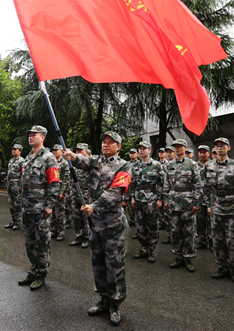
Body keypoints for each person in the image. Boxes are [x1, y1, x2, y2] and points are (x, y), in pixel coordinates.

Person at [63, 131, 132, 326]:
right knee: (98, 262)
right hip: (94, 223)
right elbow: (81, 161)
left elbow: (116, 192)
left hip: (112, 223)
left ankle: (115, 304)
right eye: (104, 142)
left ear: (119, 146)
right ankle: (103, 299)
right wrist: (73, 156)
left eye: (111, 142)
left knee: (114, 264)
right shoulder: (95, 160)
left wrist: (94, 206)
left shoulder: (125, 166)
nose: (106, 145)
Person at [17, 126, 60, 291]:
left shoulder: (49, 158)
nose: (31, 137)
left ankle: (41, 274)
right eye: (29, 135)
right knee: (29, 242)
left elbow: (54, 183)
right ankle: (34, 270)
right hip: (27, 207)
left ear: (43, 137)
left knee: (42, 242)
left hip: (40, 207)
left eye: (34, 135)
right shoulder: (27, 158)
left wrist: (49, 205)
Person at [202, 137, 234, 285]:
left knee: (231, 240)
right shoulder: (209, 165)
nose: (220, 148)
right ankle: (222, 267)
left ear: (228, 148)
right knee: (217, 240)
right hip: (215, 207)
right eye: (217, 146)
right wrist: (207, 204)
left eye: (223, 145)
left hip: (231, 208)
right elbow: (206, 188)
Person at [161, 139, 202, 272]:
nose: (177, 149)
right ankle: (178, 256)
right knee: (175, 231)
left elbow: (197, 184)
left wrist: (196, 202)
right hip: (173, 202)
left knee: (188, 231)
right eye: (175, 147)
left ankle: (188, 257)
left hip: (187, 203)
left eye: (179, 146)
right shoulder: (169, 165)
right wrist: (165, 199)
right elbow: (166, 184)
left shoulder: (192, 164)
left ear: (185, 148)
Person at [130, 141, 164, 263]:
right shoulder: (135, 166)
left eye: (144, 148)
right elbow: (132, 183)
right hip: (138, 199)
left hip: (151, 200)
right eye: (140, 149)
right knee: (140, 226)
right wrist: (132, 198)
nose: (141, 150)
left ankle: (152, 250)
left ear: (150, 150)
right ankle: (144, 248)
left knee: (152, 226)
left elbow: (161, 183)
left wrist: (160, 199)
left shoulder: (156, 165)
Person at [69, 143, 91, 249]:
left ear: (86, 151)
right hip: (75, 194)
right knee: (76, 217)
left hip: (86, 195)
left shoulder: (89, 163)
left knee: (86, 217)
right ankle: (79, 236)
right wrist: (71, 193)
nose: (78, 152)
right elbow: (72, 179)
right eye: (77, 150)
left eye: (81, 150)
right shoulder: (76, 165)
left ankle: (87, 238)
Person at [51, 144, 70, 241]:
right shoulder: (52, 162)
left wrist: (63, 192)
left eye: (56, 150)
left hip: (60, 190)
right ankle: (53, 230)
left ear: (61, 151)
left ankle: (61, 232)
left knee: (60, 213)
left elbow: (67, 179)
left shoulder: (64, 163)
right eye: (53, 150)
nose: (54, 152)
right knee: (53, 212)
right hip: (52, 190)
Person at [196, 145, 211, 250]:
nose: (202, 154)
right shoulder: (195, 165)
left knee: (211, 221)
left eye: (204, 152)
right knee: (200, 221)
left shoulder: (213, 165)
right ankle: (202, 240)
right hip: (199, 198)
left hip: (210, 198)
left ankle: (211, 241)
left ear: (209, 153)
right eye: (200, 152)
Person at [5, 144, 24, 230]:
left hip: (16, 185)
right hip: (10, 185)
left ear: (20, 151)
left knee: (17, 204)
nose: (13, 150)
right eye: (13, 149)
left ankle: (17, 222)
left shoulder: (22, 161)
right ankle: (13, 221)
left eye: (15, 149)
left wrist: (20, 186)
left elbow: (23, 174)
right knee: (11, 204)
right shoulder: (11, 160)